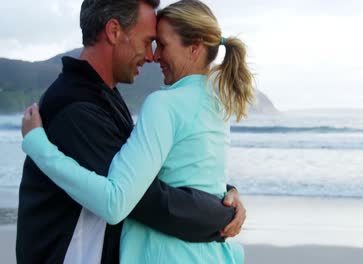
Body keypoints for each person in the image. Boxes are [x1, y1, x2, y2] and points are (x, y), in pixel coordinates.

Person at [21, 0, 254, 262]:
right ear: (113, 31)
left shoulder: (113, 99)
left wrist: (226, 194)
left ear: (195, 48)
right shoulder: (76, 107)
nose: (152, 55)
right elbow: (142, 200)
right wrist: (222, 213)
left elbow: (155, 174)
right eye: (148, 41)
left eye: (160, 44)